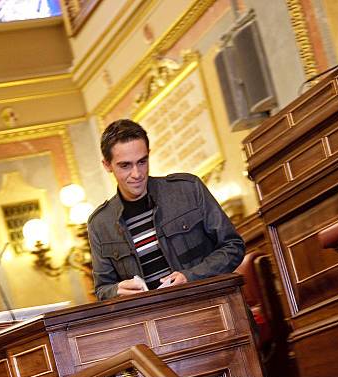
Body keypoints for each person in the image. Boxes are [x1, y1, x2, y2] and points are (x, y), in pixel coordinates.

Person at [87, 119, 245, 301]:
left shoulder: (188, 188)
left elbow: (233, 246)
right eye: (125, 165)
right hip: (154, 323)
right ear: (107, 165)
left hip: (211, 306)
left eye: (142, 162)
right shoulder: (99, 224)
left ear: (148, 155)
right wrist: (116, 290)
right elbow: (102, 290)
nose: (137, 174)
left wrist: (190, 276)